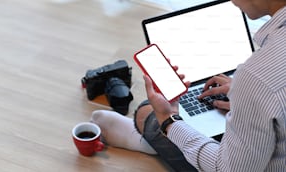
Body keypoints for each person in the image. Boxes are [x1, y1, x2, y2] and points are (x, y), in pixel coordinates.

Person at [91, 0, 286, 171]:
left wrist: (168, 119)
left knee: (147, 113)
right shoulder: (259, 80)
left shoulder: (256, 80)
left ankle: (149, 141)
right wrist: (249, 99)